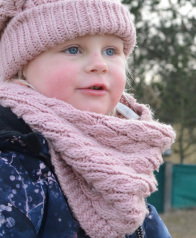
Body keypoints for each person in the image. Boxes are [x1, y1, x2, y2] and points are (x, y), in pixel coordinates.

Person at [0, 1, 176, 237]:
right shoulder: (12, 165)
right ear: (21, 68)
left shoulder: (122, 159)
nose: (100, 64)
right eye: (73, 49)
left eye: (111, 51)